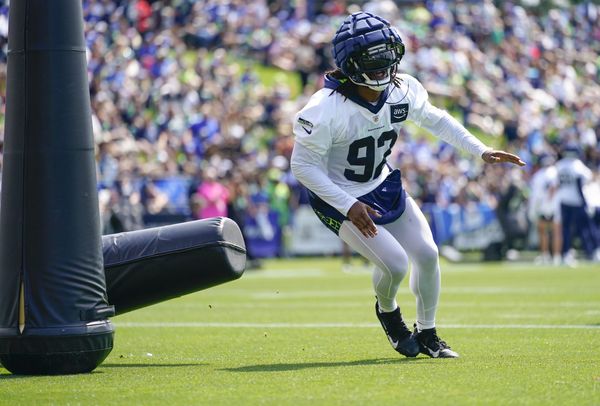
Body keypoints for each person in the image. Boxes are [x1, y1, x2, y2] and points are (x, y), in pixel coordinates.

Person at [290, 11, 525, 359]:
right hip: (338, 195)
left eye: (387, 54)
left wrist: (481, 150)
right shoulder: (324, 109)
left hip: (381, 183)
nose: (384, 66)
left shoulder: (402, 89)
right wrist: (348, 206)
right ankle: (388, 312)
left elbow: (437, 120)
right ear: (351, 64)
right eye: (373, 59)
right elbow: (302, 166)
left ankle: (428, 331)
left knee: (428, 255)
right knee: (396, 264)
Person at [554, 145, 598, 265]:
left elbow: (556, 183)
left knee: (566, 229)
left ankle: (566, 253)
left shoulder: (560, 165)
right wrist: (585, 202)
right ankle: (592, 251)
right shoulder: (577, 166)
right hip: (577, 200)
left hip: (563, 200)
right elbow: (584, 182)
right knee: (585, 227)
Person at [527, 154, 561, 265]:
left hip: (544, 206)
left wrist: (533, 209)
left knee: (544, 232)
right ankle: (556, 257)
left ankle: (546, 256)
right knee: (556, 232)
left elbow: (536, 196)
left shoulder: (538, 175)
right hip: (554, 205)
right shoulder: (556, 172)